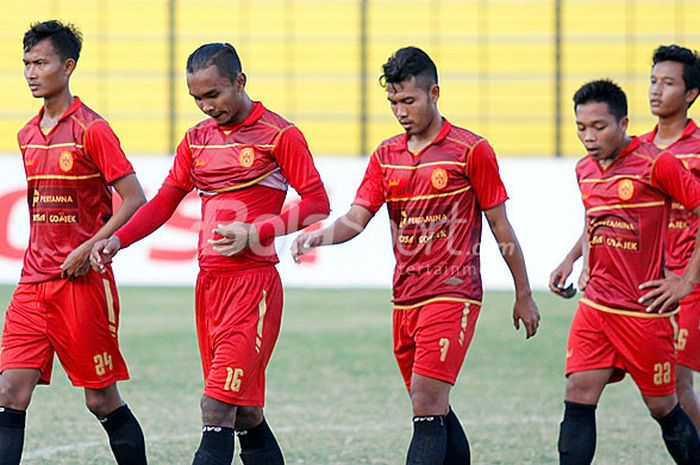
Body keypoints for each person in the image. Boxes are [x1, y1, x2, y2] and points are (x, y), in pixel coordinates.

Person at [291, 46, 540, 465]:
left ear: (434, 93)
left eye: (409, 100)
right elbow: (356, 219)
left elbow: (501, 228)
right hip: (406, 297)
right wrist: (317, 236)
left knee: (426, 403)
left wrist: (523, 293)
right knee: (433, 406)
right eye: (393, 102)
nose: (401, 111)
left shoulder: (470, 150)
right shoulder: (386, 156)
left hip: (453, 293)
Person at [90, 43, 330, 465]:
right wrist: (118, 239)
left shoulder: (280, 135)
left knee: (215, 408)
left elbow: (317, 202)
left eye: (213, 95)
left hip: (252, 287)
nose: (205, 106)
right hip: (209, 288)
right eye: (196, 98)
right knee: (246, 414)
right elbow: (164, 201)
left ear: (240, 82)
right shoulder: (196, 141)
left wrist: (256, 231)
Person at [0, 20, 148, 465]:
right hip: (32, 286)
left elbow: (134, 197)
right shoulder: (27, 135)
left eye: (40, 63)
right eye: (26, 63)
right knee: (9, 390)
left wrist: (92, 246)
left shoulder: (91, 129)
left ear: (67, 67)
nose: (30, 72)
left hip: (80, 285)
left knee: (101, 400)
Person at [552, 79, 700, 465]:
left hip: (642, 312)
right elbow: (595, 218)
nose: (589, 136)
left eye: (599, 127)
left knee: (663, 406)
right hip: (596, 307)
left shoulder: (657, 164)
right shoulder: (584, 169)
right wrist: (574, 259)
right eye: (581, 127)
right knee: (578, 393)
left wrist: (686, 281)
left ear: (623, 123)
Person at [640, 45, 700, 432]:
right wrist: (578, 258)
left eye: (668, 83)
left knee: (676, 385)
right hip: (649, 282)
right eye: (653, 81)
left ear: (691, 94)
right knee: (661, 390)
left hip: (689, 282)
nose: (656, 90)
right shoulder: (635, 149)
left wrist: (689, 279)